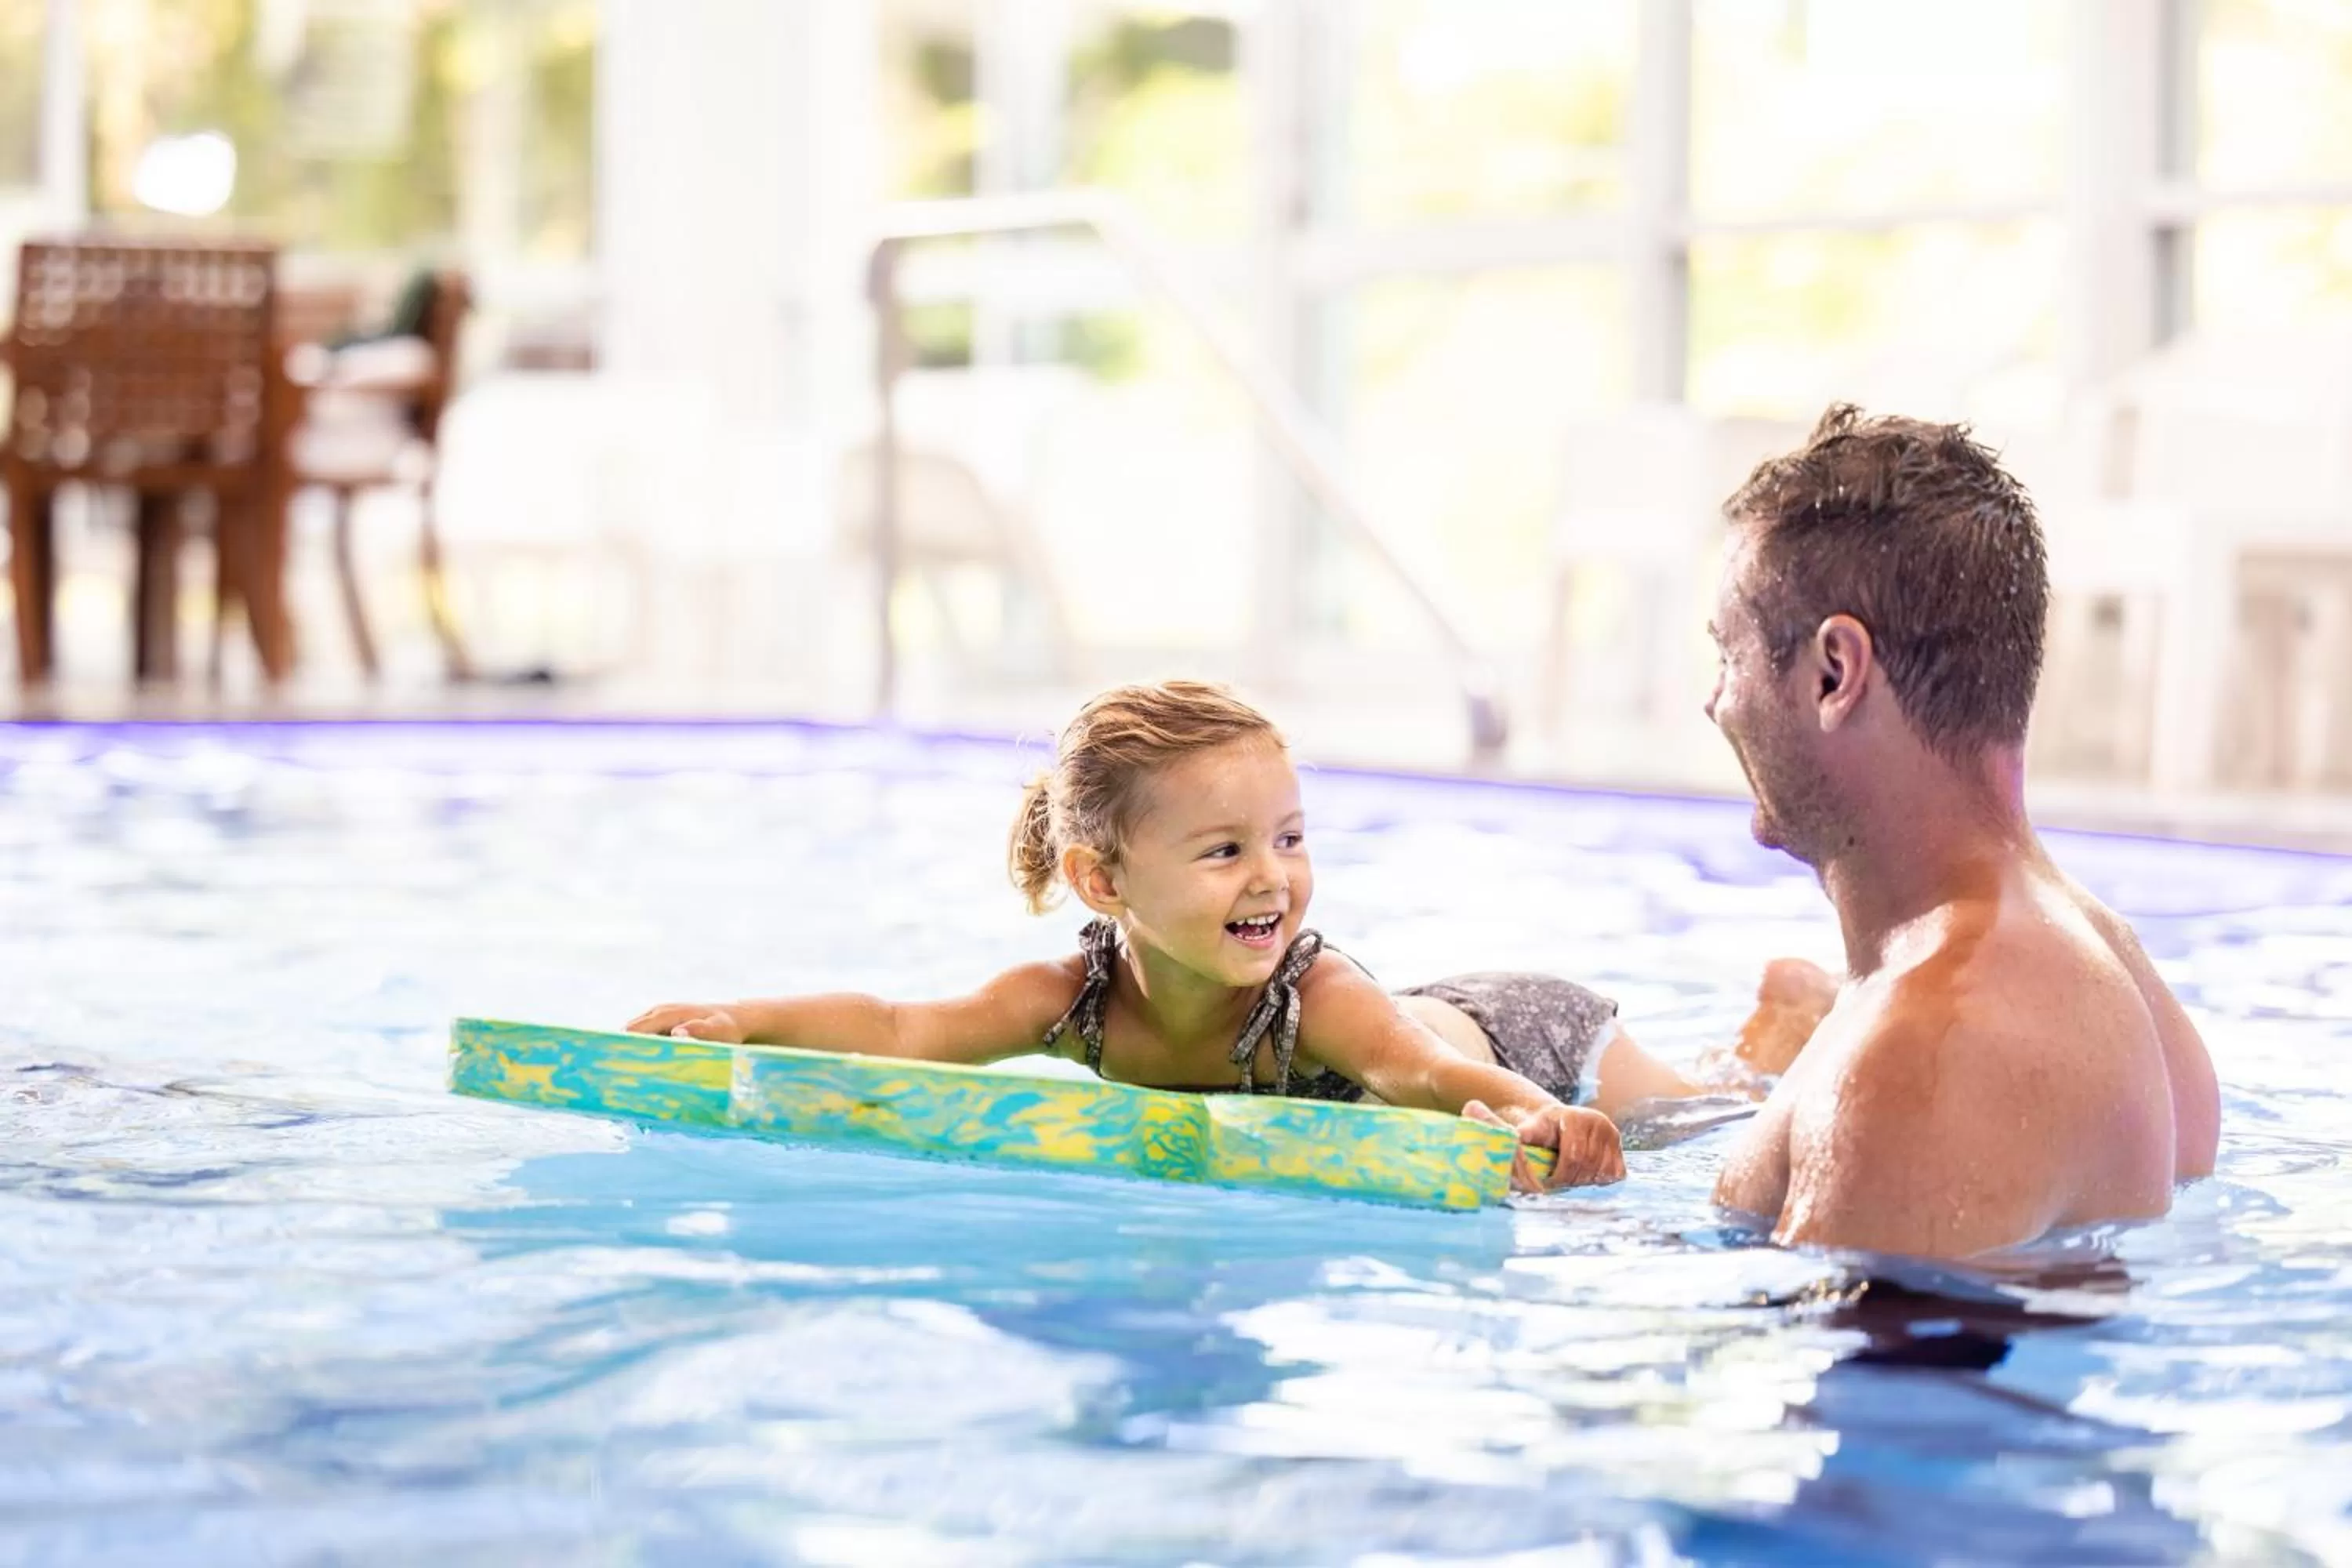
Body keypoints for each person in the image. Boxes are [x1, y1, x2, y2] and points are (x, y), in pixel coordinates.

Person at [630, 682, 1740, 1192]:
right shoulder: (1071, 999)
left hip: (1528, 1037)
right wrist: (743, 1023)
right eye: (1224, 853)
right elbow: (905, 1023)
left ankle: (1778, 1027)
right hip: (1467, 1049)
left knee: (1709, 1116)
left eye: (1290, 839)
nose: (1274, 878)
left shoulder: (1316, 996)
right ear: (1101, 880)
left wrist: (1553, 1118)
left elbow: (1423, 1068)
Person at [1703, 405, 2220, 1258]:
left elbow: (1865, 1387)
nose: (1716, 701)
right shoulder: (2120, 975)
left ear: (1837, 672)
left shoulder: (1919, 1058)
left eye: (1730, 656)